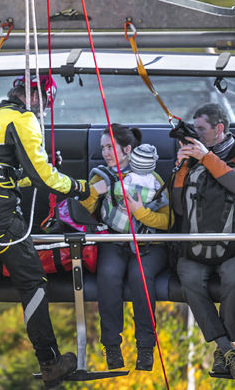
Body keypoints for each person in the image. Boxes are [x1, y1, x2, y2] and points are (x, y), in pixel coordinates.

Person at [0, 73, 88, 387]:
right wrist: (79, 187)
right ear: (36, 96)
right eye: (46, 103)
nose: (44, 111)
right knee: (32, 281)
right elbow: (44, 180)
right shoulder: (23, 119)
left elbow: (5, 173)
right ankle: (50, 362)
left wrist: (40, 169)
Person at [172, 103, 235, 378]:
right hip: (195, 246)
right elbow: (177, 207)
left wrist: (206, 157)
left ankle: (222, 350)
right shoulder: (190, 159)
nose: (196, 134)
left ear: (219, 129)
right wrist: (180, 167)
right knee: (188, 278)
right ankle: (227, 347)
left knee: (234, 281)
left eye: (201, 129)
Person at [77, 124, 172, 371]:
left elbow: (167, 221)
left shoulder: (154, 179)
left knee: (140, 276)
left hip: (149, 243)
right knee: (108, 276)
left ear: (127, 149)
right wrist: (95, 192)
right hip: (113, 239)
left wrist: (139, 212)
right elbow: (81, 213)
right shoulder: (101, 176)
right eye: (103, 148)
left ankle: (145, 347)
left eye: (110, 147)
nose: (105, 152)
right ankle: (111, 346)